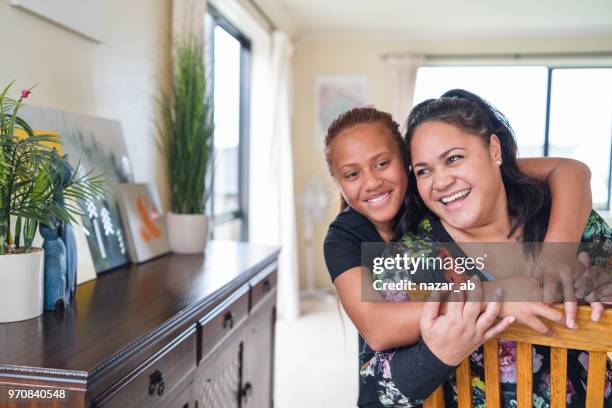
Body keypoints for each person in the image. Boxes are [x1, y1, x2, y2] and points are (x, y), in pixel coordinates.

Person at [323, 106, 596, 407]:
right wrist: (497, 295)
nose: (372, 182)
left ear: (405, 165)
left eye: (382, 164)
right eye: (352, 174)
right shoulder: (345, 237)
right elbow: (378, 329)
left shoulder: (436, 188)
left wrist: (558, 251)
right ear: (338, 182)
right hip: (396, 377)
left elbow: (571, 170)